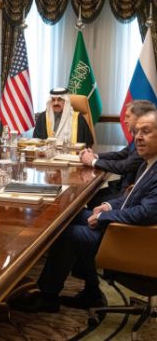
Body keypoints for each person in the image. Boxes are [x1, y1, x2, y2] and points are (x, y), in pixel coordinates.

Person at [11, 109, 157, 313]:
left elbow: (146, 213)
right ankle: (91, 291)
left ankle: (48, 296)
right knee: (70, 217)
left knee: (67, 234)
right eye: (137, 131)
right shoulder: (149, 162)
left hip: (132, 239)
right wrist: (109, 206)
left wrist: (105, 216)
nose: (138, 137)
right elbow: (132, 197)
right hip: (125, 225)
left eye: (146, 131)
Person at [80, 100, 155, 207]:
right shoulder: (137, 136)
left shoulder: (147, 145)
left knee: (85, 201)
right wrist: (96, 156)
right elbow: (121, 154)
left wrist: (93, 161)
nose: (124, 121)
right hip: (122, 187)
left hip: (127, 194)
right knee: (88, 198)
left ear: (140, 117)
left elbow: (125, 166)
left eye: (128, 116)